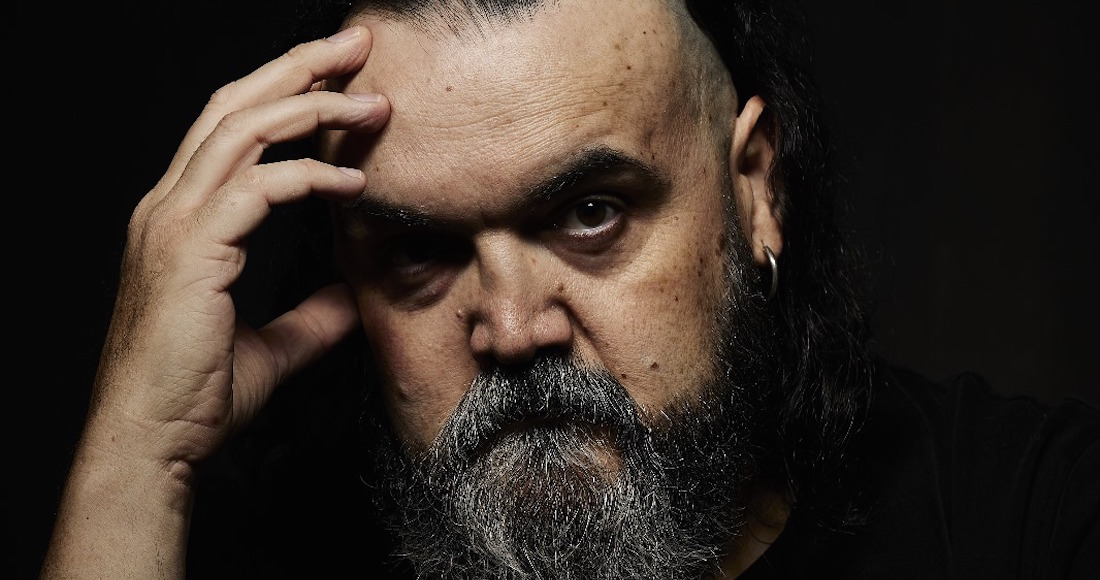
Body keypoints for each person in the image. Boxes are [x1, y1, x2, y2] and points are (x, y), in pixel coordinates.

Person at [38, 0, 1099, 578]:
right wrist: (138, 460)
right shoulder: (238, 554)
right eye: (417, 249)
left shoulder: (1028, 522)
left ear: (756, 190)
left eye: (590, 213)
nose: (510, 328)